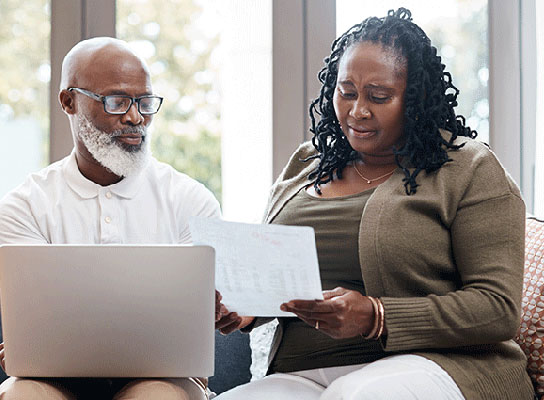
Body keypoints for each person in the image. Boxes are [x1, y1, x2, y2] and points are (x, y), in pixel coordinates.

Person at [214, 8, 534, 400]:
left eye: (378, 96)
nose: (357, 111)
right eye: (346, 92)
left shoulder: (469, 168)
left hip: (441, 365)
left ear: (417, 99)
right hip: (306, 370)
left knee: (354, 395)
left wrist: (376, 315)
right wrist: (247, 308)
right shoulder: (308, 164)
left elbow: (498, 307)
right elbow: (281, 278)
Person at [0, 37, 220, 400]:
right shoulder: (24, 206)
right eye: (116, 101)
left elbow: (194, 325)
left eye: (144, 102)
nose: (135, 117)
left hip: (162, 376)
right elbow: (32, 326)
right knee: (23, 396)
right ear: (69, 101)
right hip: (55, 379)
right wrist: (29, 344)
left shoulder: (191, 200)